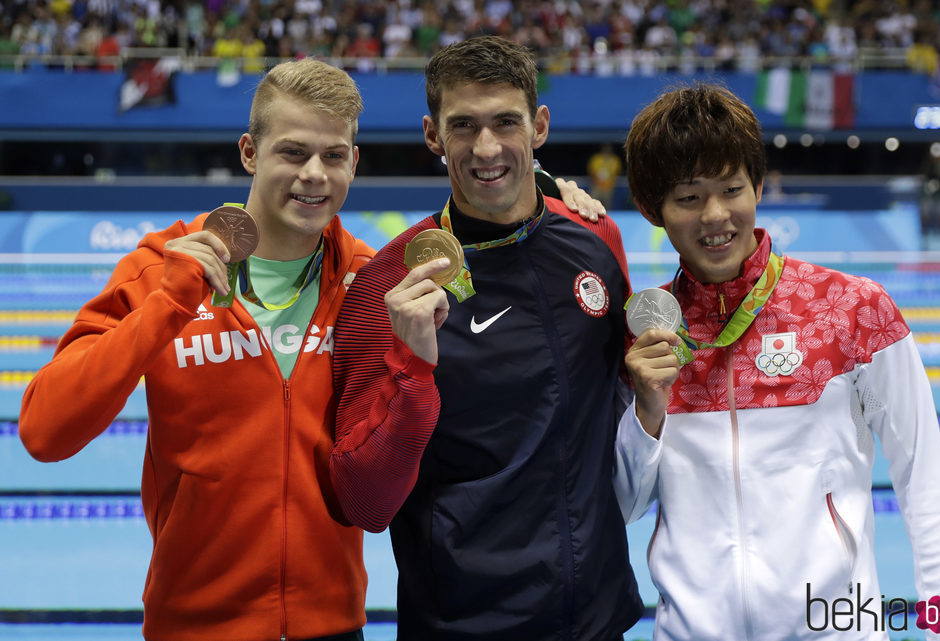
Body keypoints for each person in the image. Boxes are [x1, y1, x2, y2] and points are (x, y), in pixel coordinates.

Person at [18, 56, 603, 641]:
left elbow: (379, 484)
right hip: (190, 624)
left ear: (354, 161)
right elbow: (45, 431)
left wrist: (556, 198)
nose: (314, 175)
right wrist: (167, 306)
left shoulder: (370, 284)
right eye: (293, 153)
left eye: (333, 156)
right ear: (250, 152)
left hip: (332, 625)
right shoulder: (157, 269)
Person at [616, 83, 940, 640]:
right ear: (652, 210)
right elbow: (623, 507)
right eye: (688, 198)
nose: (716, 215)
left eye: (732, 188)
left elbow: (922, 479)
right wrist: (647, 413)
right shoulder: (647, 339)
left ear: (758, 185)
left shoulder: (854, 310)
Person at [328, 35, 643, 640]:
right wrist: (410, 368)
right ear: (432, 136)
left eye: (506, 122)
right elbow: (365, 502)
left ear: (540, 126)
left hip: (599, 617)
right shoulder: (386, 287)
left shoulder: (597, 243)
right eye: (464, 126)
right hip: (463, 625)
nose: (487, 147)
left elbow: (625, 403)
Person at [587, 141, 623, 209]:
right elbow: (591, 172)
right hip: (597, 186)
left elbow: (617, 173)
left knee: (607, 205)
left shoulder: (615, 160)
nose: (607, 150)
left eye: (608, 149)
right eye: (605, 148)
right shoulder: (596, 159)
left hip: (608, 187)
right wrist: (596, 181)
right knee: (591, 202)